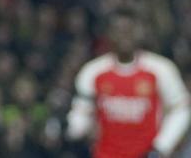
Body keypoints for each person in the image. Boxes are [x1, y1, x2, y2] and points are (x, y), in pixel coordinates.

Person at [67, 9, 191, 157]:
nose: (125, 36)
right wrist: (75, 129)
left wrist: (161, 147)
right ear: (109, 34)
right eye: (119, 30)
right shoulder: (93, 72)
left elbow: (181, 109)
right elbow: (81, 113)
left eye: (130, 30)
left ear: (139, 33)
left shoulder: (161, 69)